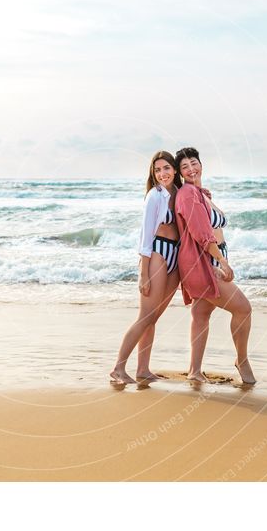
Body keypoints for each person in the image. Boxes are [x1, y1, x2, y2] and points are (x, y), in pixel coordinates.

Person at [173, 147, 256, 384]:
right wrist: (220, 261)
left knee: (200, 314)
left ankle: (194, 371)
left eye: (194, 163)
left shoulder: (198, 193)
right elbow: (202, 234)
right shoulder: (189, 194)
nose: (191, 169)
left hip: (206, 260)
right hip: (204, 263)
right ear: (180, 173)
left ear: (201, 163)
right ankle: (241, 360)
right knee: (243, 308)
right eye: (184, 166)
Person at [110, 151, 182, 384]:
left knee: (153, 318)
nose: (163, 173)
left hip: (176, 255)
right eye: (158, 169)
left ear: (174, 169)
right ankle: (118, 369)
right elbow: (145, 237)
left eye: (166, 168)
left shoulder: (181, 193)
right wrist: (144, 274)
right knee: (145, 316)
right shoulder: (154, 196)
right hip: (157, 253)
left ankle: (143, 369)